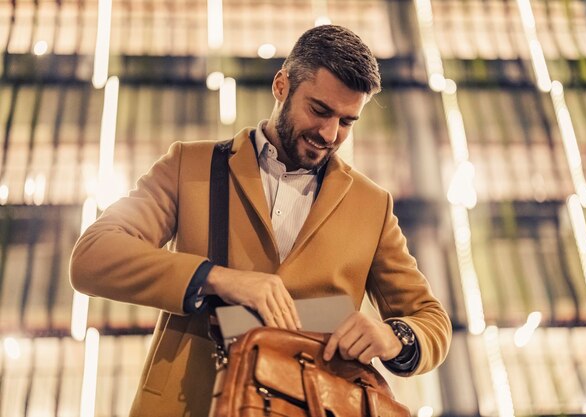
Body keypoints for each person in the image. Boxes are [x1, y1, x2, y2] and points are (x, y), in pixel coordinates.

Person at [70, 24, 451, 417]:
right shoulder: (189, 165)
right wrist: (219, 278)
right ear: (281, 86)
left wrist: (393, 337)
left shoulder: (372, 205)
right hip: (192, 405)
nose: (330, 133)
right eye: (319, 110)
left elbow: (431, 319)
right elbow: (93, 257)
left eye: (347, 121)